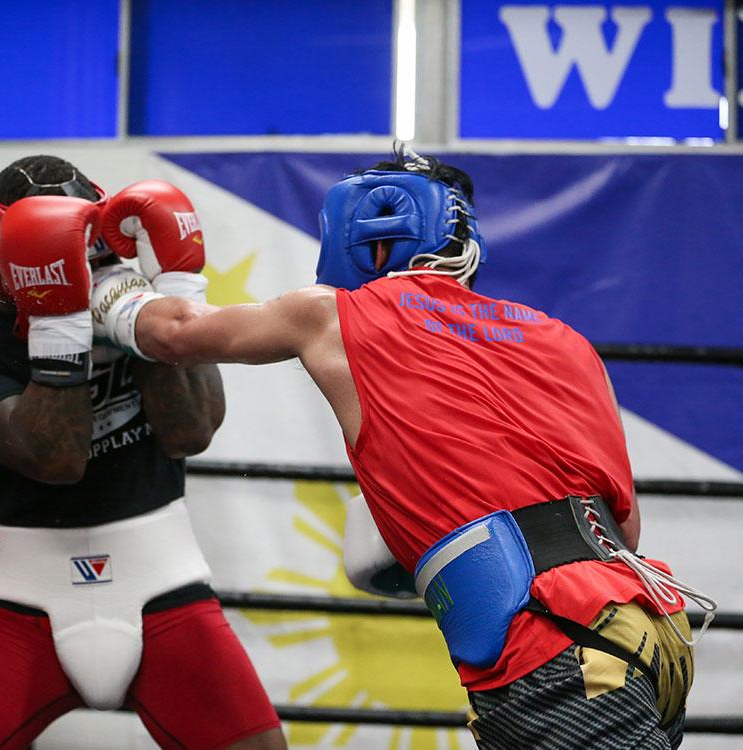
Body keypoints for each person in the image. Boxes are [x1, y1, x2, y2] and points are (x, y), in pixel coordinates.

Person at [74, 148, 717, 749]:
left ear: (356, 235)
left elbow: (177, 334)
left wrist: (104, 279)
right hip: (649, 635)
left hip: (555, 653)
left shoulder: (330, 314)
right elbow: (623, 527)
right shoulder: (567, 342)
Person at [0, 155, 286, 750]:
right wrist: (59, 325)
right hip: (27, 602)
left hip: (163, 587)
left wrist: (169, 299)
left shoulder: (134, 310)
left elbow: (192, 432)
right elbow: (57, 459)